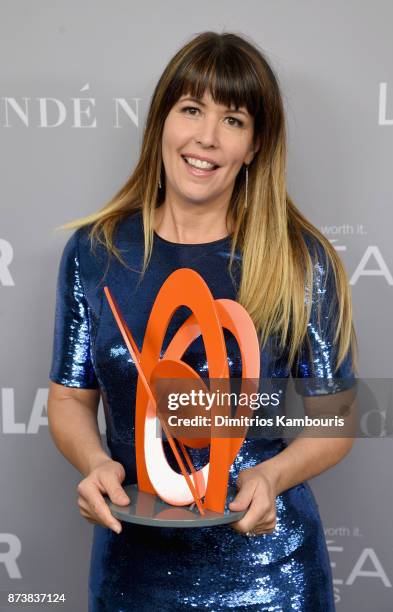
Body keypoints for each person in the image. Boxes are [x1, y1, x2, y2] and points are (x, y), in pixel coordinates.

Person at [47, 31, 358, 611]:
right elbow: (69, 399)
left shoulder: (299, 258)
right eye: (191, 110)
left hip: (272, 575)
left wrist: (271, 477)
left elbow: (334, 419)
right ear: (162, 122)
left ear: (255, 144)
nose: (206, 138)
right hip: (132, 572)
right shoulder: (96, 252)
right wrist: (95, 464)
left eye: (233, 120)